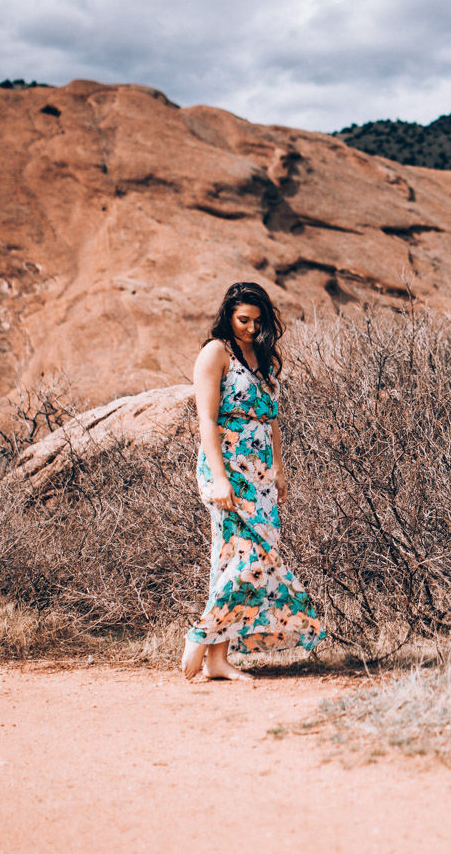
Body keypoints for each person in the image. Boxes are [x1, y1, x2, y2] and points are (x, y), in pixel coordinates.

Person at [181, 281, 325, 680]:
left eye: (258, 321)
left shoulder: (259, 355)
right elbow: (206, 420)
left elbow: (272, 419)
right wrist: (221, 479)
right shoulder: (215, 352)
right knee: (251, 558)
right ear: (228, 314)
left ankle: (217, 660)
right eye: (243, 319)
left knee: (233, 559)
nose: (250, 327)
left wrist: (279, 469)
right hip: (226, 468)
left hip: (260, 472)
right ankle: (201, 636)